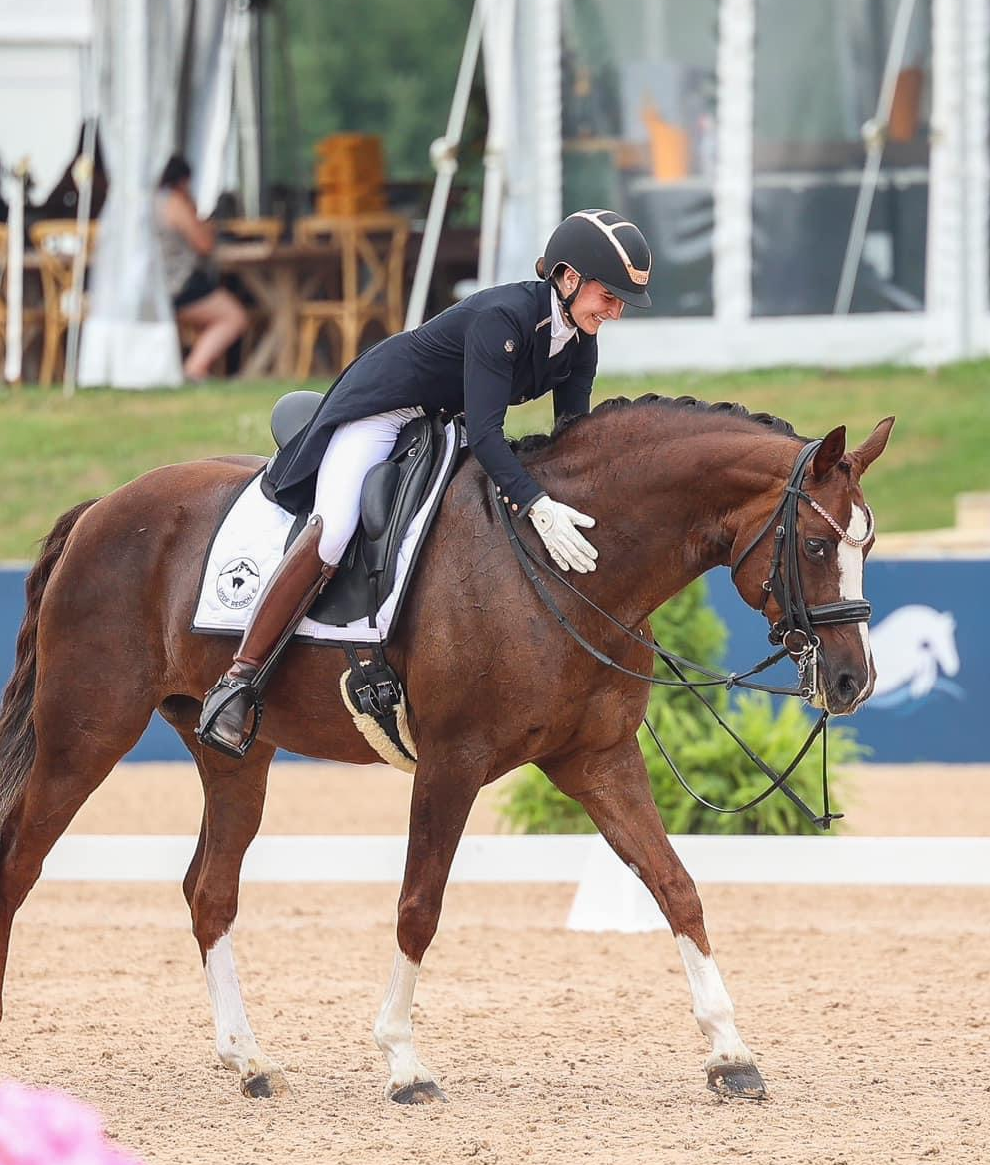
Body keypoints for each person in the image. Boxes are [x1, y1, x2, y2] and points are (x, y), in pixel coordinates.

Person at [197, 208, 654, 757]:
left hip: (439, 424)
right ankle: (238, 680)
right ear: (570, 277)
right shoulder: (504, 319)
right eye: (609, 296)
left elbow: (571, 436)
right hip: (384, 410)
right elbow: (487, 434)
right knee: (336, 529)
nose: (616, 311)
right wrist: (535, 502)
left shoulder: (580, 340)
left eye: (622, 301)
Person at [156, 155, 249, 382]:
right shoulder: (174, 203)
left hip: (155, 285)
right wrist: (201, 218)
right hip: (177, 285)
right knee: (234, 316)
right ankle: (195, 367)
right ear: (183, 180)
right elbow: (204, 245)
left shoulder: (144, 203)